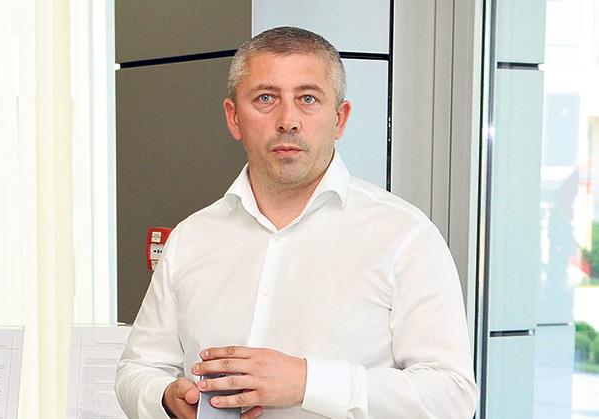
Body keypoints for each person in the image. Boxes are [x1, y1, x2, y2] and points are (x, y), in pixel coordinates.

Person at [115, 26, 479, 419]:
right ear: (234, 118)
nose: (287, 120)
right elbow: (137, 369)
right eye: (266, 98)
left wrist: (306, 382)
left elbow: (452, 395)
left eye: (308, 99)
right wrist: (166, 398)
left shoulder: (405, 237)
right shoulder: (191, 238)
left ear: (340, 119)